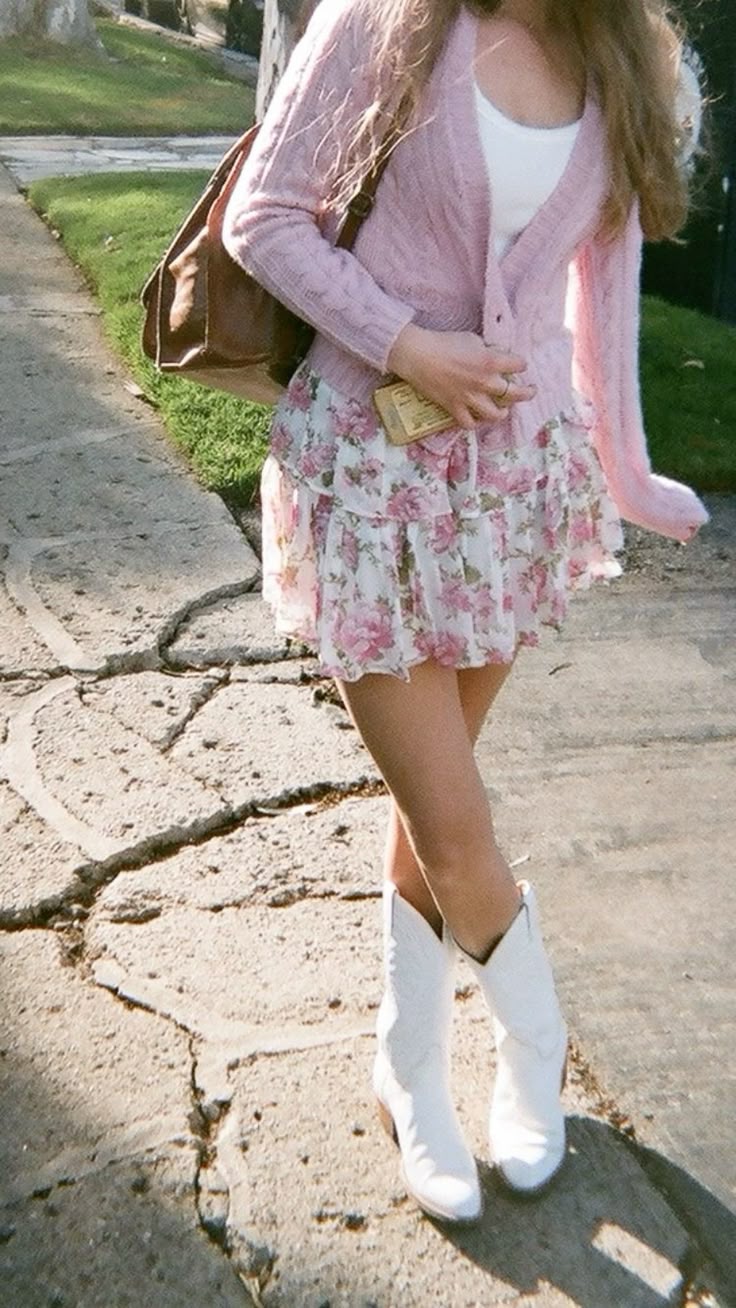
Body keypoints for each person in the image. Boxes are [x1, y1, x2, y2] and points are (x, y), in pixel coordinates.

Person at [222, 0, 709, 1224]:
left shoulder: (626, 58)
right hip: (369, 476)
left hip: (510, 496)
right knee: (454, 821)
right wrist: (407, 344)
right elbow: (264, 218)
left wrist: (627, 471)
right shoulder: (386, 22)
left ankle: (407, 1060)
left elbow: (605, 289)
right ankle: (535, 1039)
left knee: (432, 808)